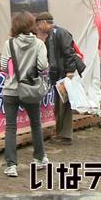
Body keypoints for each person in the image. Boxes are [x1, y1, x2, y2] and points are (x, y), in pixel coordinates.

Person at [0, 11, 49, 177]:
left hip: (10, 90)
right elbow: (43, 66)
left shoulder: (9, 43)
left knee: (10, 127)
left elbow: (4, 67)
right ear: (32, 25)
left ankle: (11, 165)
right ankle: (39, 158)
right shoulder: (39, 44)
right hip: (30, 89)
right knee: (35, 124)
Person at [35, 12, 79, 145]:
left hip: (64, 75)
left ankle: (65, 136)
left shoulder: (61, 33)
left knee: (64, 105)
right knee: (59, 106)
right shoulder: (50, 36)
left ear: (44, 22)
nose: (38, 28)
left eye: (38, 24)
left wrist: (70, 71)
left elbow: (69, 52)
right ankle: (60, 133)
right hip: (56, 76)